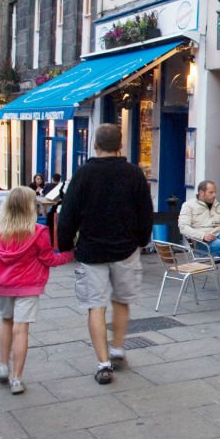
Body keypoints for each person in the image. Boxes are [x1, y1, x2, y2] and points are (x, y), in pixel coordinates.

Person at [57, 123, 153, 385]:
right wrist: (141, 240)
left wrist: (64, 244)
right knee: (122, 301)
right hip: (125, 248)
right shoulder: (133, 174)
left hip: (91, 250)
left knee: (95, 306)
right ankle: (118, 348)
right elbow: (146, 212)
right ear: (120, 145)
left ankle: (103, 363)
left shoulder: (84, 173)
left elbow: (69, 213)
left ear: (96, 145)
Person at [0, 186, 74, 395]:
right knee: (21, 329)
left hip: (2, 283)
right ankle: (16, 378)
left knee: (6, 322)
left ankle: (2, 365)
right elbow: (48, 259)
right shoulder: (38, 232)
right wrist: (67, 255)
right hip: (28, 284)